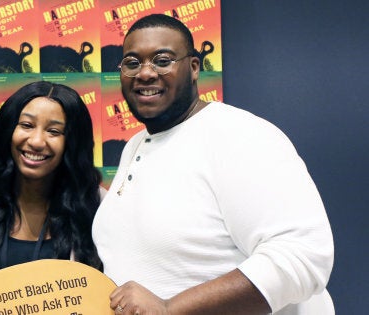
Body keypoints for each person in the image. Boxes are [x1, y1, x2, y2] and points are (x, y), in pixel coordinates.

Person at [92, 14, 334, 315]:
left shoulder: (240, 135)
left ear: (194, 68)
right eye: (132, 62)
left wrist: (171, 308)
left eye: (162, 60)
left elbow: (302, 257)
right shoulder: (135, 145)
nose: (145, 73)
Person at [0, 81, 104, 277]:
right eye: (27, 125)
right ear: (8, 130)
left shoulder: (98, 205)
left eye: (54, 131)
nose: (37, 141)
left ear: (72, 143)